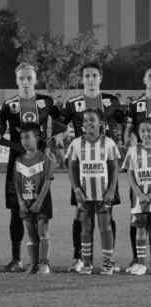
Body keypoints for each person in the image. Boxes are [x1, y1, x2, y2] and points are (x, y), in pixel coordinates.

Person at [0, 63, 63, 272]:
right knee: (16, 211)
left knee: (41, 212)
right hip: (16, 166)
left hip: (40, 166)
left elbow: (63, 123)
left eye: (29, 78)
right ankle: (16, 258)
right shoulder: (8, 105)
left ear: (35, 79)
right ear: (16, 81)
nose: (25, 82)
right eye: (21, 78)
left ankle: (43, 262)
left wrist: (57, 137)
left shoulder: (46, 102)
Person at [59, 62, 125, 272]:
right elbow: (60, 124)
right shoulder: (73, 103)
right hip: (83, 167)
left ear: (100, 77)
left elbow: (124, 121)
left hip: (105, 166)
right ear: (82, 78)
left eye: (94, 75)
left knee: (108, 216)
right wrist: (61, 135)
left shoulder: (112, 101)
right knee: (81, 217)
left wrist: (124, 137)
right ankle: (79, 258)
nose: (90, 79)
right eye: (86, 75)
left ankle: (108, 259)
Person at [67, 109, 120, 275]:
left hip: (103, 194)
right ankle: (87, 263)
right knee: (85, 228)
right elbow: (72, 167)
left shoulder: (109, 143)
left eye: (92, 120)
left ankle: (107, 264)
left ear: (101, 124)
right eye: (85, 120)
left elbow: (114, 167)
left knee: (105, 227)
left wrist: (112, 189)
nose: (88, 123)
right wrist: (76, 189)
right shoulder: (76, 143)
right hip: (84, 194)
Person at [14, 124, 55, 274]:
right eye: (22, 138)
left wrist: (39, 202)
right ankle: (34, 264)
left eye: (27, 137)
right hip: (25, 202)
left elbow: (47, 182)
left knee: (42, 231)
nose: (24, 141)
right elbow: (17, 184)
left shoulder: (44, 158)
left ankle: (44, 263)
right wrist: (20, 202)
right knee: (30, 233)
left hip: (41, 202)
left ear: (36, 138)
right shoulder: (19, 160)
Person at [123, 69, 151, 273]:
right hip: (141, 169)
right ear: (145, 80)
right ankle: (136, 259)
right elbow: (129, 134)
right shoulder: (136, 105)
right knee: (138, 218)